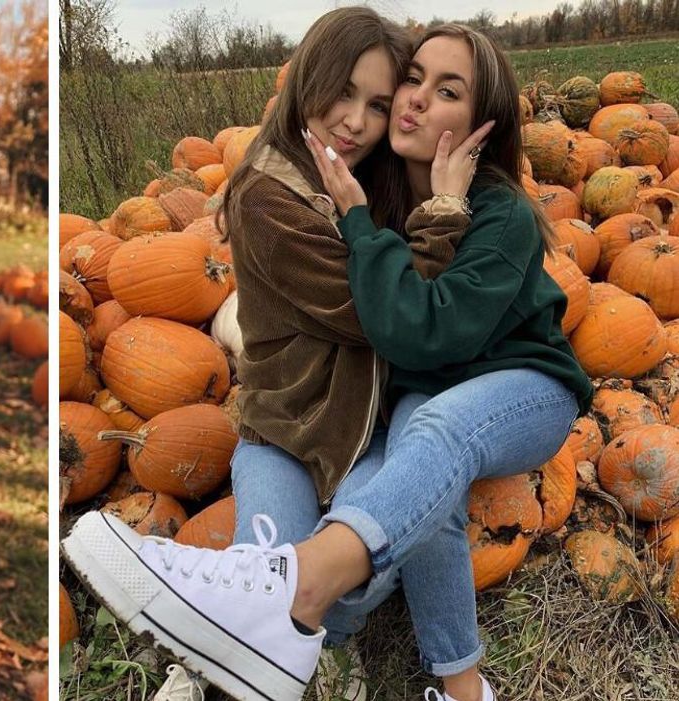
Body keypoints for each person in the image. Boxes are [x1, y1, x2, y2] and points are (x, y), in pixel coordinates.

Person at [63, 17, 592, 701]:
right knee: (399, 489)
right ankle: (212, 661)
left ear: (481, 121)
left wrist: (425, 211)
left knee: (427, 450)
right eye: (411, 81)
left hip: (514, 386)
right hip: (319, 418)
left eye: (444, 90)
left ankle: (324, 603)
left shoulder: (491, 211)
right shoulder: (360, 188)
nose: (398, 105)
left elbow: (414, 328)